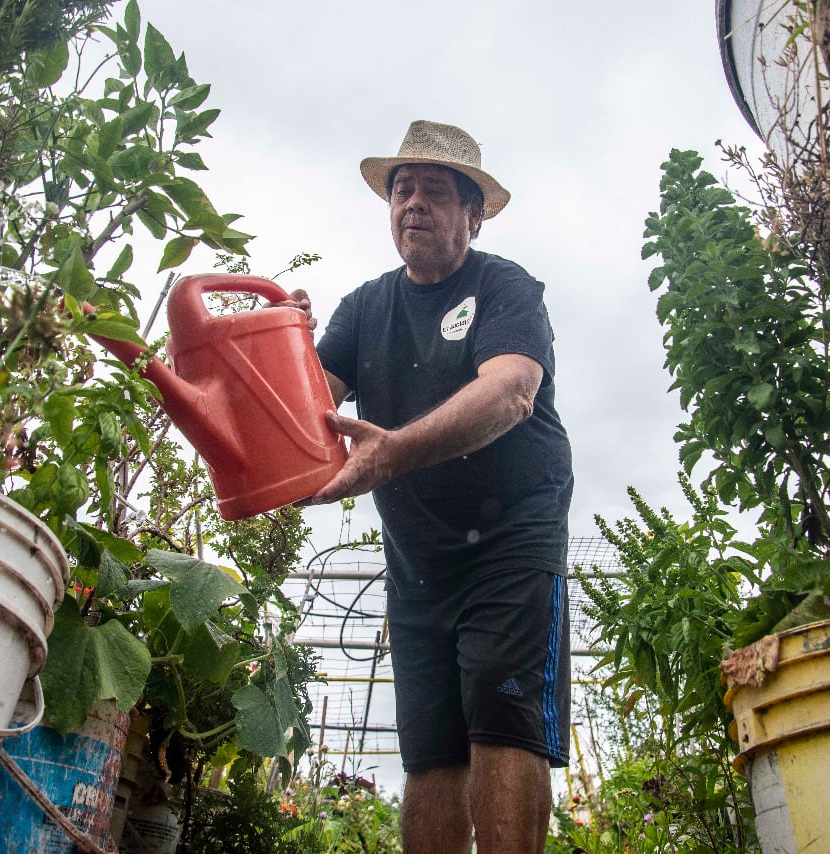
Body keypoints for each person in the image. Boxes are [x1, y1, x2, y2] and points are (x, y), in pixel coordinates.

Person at [292, 119, 573, 854]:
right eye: (402, 191)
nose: (413, 203)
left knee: (504, 721)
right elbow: (306, 411)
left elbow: (511, 391)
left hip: (512, 542)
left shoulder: (504, 287)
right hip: (418, 563)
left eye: (436, 192)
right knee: (430, 750)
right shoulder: (364, 308)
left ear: (474, 216)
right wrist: (281, 345)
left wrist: (394, 454)